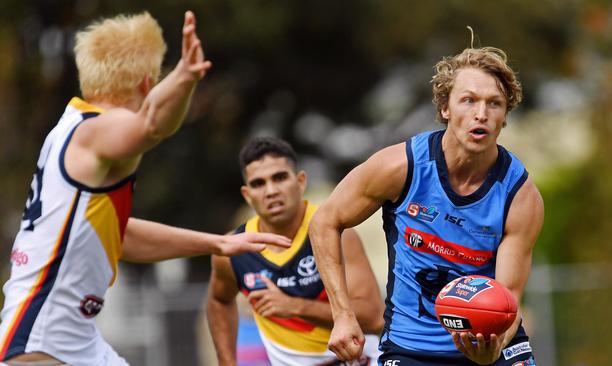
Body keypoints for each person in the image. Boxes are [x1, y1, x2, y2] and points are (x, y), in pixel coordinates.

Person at [0, 11, 291, 366]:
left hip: (72, 341)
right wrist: (184, 77)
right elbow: (151, 124)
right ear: (144, 83)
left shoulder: (72, 132)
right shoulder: (96, 131)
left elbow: (120, 237)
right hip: (43, 345)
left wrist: (217, 243)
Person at [309, 45, 544, 365]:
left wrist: (491, 348)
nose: (481, 114)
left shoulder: (520, 196)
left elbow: (509, 298)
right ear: (445, 108)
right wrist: (343, 315)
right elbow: (325, 221)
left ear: (504, 118)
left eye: (494, 104)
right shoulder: (400, 167)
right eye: (469, 100)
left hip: (490, 337)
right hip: (411, 347)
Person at [206, 137, 385, 366]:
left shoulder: (337, 233)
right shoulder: (234, 249)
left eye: (279, 178)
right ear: (247, 195)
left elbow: (374, 317)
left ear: (300, 181)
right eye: (258, 183)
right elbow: (219, 301)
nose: (271, 191)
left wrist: (293, 306)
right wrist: (227, 361)